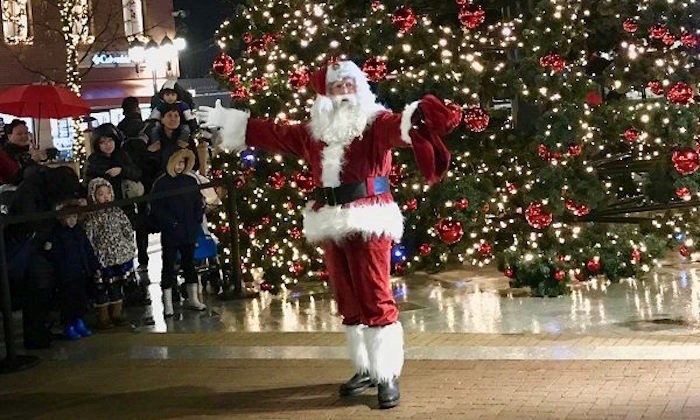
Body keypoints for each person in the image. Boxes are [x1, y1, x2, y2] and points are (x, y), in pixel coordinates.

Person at [198, 60, 459, 409]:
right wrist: (231, 122)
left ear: (361, 86)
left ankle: (386, 374)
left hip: (369, 217)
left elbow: (400, 128)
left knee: (375, 294)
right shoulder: (313, 133)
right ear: (325, 93)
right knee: (347, 296)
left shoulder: (375, 123)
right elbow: (274, 133)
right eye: (338, 86)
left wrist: (421, 116)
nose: (345, 90)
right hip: (329, 220)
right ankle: (365, 368)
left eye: (351, 83)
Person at [5, 166, 83, 348]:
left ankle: (41, 329)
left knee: (43, 284)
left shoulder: (39, 186)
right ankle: (35, 334)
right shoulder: (31, 190)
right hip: (24, 247)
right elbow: (31, 222)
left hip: (34, 247)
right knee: (38, 285)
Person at [150, 148, 206, 316]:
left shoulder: (190, 181)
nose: (180, 166)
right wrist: (170, 222)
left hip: (188, 230)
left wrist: (197, 219)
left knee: (189, 264)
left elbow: (198, 202)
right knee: (168, 266)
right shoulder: (161, 183)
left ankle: (193, 298)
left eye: (183, 162)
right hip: (172, 232)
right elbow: (156, 207)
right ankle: (167, 303)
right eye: (177, 162)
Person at [83, 178, 136, 329]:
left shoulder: (117, 212)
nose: (105, 197)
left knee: (116, 286)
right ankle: (103, 316)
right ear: (94, 196)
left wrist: (129, 247)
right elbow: (89, 238)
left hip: (119, 256)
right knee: (101, 288)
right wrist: (93, 257)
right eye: (101, 194)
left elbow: (127, 229)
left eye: (108, 193)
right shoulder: (92, 217)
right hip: (102, 259)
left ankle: (117, 313)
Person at [45, 201, 100, 340]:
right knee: (68, 301)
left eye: (74, 217)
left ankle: (78, 321)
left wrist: (94, 266)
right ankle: (69, 324)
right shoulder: (58, 233)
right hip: (66, 274)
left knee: (80, 299)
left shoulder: (79, 231)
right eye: (68, 217)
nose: (71, 220)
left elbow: (87, 249)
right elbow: (54, 255)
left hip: (80, 272)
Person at [84, 123, 142, 202]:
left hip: (125, 201)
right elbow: (87, 184)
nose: (108, 144)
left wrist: (121, 171)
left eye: (110, 140)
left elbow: (137, 173)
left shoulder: (122, 155)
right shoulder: (93, 160)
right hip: (103, 204)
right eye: (102, 142)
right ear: (97, 145)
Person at [0, 119, 45, 185]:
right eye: (19, 134)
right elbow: (15, 177)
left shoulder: (27, 151)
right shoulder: (4, 154)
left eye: (26, 133)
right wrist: (32, 161)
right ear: (9, 136)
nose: (24, 136)